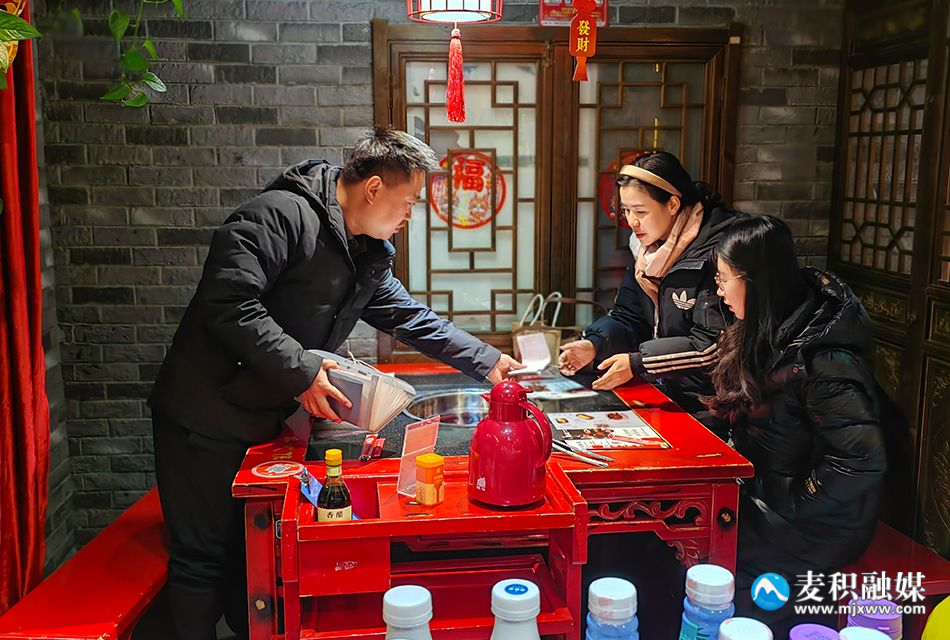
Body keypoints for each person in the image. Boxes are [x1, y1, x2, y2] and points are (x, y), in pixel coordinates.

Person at [148, 126, 521, 640]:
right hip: (204, 415)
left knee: (248, 550)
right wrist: (302, 370)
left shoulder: (362, 249)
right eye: (409, 202)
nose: (410, 215)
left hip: (262, 414)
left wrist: (486, 360)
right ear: (374, 188)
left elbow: (408, 317)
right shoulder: (277, 216)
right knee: (201, 558)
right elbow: (228, 304)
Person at [705, 215, 886, 634]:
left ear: (756, 281)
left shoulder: (823, 358)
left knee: (717, 574)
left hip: (818, 526)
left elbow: (860, 462)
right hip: (769, 501)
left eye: (724, 279)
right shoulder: (766, 331)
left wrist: (791, 504)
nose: (719, 291)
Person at [558, 151, 740, 437]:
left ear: (673, 204)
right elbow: (629, 316)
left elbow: (712, 344)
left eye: (640, 212)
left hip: (716, 406)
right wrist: (595, 344)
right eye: (626, 211)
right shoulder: (647, 251)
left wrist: (638, 363)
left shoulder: (718, 250)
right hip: (667, 395)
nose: (632, 222)